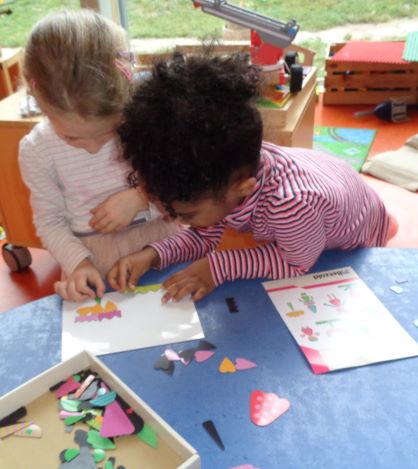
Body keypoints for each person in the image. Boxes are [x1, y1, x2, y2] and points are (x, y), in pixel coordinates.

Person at [108, 51, 397, 302]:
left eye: (185, 214)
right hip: (320, 204)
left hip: (358, 230)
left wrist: (217, 267)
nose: (173, 219)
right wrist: (152, 255)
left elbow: (296, 263)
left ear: (243, 188)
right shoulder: (222, 174)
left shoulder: (292, 205)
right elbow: (205, 234)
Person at [19, 9, 179, 302]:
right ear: (40, 100)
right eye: (72, 137)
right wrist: (79, 264)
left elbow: (183, 187)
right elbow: (50, 221)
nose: (92, 147)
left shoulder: (149, 123)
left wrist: (142, 197)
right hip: (92, 260)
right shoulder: (37, 150)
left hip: (162, 245)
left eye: (109, 132)